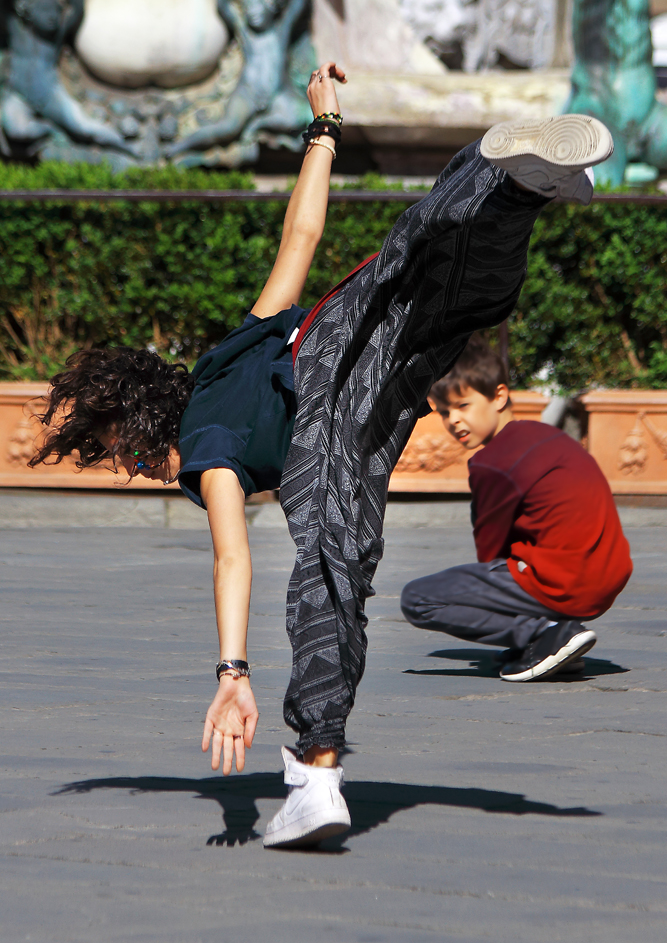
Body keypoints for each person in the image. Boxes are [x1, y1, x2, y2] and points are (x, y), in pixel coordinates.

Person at [28, 66, 615, 847]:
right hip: (339, 339)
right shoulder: (222, 359)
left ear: (137, 422)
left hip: (328, 410)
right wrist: (324, 127)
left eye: (119, 452)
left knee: (331, 570)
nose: (133, 468)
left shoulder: (206, 450)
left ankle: (316, 774)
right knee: (426, 285)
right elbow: (299, 238)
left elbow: (231, 560)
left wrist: (232, 674)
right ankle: (504, 183)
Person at [401, 337, 633, 681]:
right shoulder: (547, 435)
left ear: (499, 396)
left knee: (417, 599)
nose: (454, 421)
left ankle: (543, 635)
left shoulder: (492, 463)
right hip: (607, 577)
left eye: (463, 405)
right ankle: (549, 641)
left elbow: (490, 551)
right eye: (445, 412)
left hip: (561, 580)